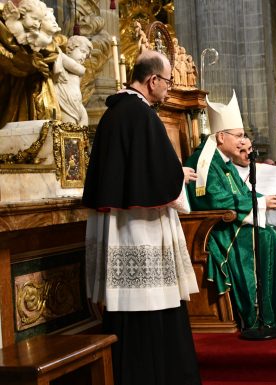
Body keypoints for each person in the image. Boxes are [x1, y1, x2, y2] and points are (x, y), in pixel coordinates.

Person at [83, 50, 201, 385]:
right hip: (141, 232)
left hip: (118, 229)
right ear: (152, 81)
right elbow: (158, 177)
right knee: (153, 304)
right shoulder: (142, 115)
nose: (167, 89)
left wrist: (170, 173)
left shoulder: (113, 114)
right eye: (167, 82)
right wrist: (179, 176)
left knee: (126, 308)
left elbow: (133, 173)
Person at [185, 90, 276, 330]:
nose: (243, 141)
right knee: (267, 238)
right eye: (239, 136)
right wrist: (262, 203)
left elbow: (243, 194)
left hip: (230, 223)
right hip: (216, 231)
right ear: (221, 136)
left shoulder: (221, 159)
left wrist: (268, 198)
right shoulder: (203, 162)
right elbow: (214, 200)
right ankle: (260, 313)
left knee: (275, 237)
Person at [54, 35, 93, 126]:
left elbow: (78, 69)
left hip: (77, 106)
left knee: (80, 136)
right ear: (69, 49)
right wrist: (58, 50)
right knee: (70, 135)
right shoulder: (60, 57)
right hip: (65, 104)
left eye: (86, 55)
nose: (84, 57)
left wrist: (83, 112)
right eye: (82, 51)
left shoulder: (78, 69)